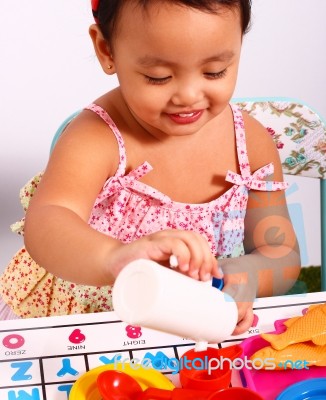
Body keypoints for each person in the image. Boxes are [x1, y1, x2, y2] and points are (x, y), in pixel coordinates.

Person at [0, 0, 300, 334]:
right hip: (84, 325)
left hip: (182, 323)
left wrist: (247, 275)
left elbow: (281, 252)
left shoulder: (251, 144)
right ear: (106, 50)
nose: (188, 95)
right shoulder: (96, 138)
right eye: (158, 77)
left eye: (215, 71)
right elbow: (47, 224)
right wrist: (115, 258)